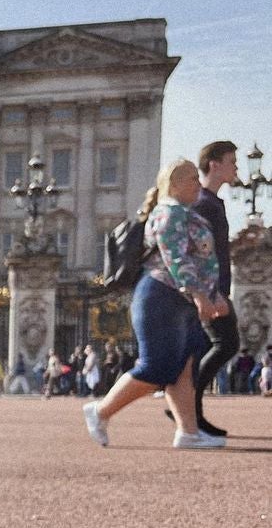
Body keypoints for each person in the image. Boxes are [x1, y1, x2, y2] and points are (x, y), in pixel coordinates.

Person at [82, 159, 227, 450]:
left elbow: (202, 260)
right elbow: (176, 258)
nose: (198, 184)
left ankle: (188, 432)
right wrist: (200, 294)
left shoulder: (184, 213)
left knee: (185, 367)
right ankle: (100, 411)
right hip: (162, 295)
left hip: (180, 298)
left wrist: (214, 294)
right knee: (157, 366)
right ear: (174, 183)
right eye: (191, 179)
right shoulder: (168, 213)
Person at [187, 141, 240, 437]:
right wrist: (211, 291)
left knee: (209, 347)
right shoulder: (204, 203)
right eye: (232, 162)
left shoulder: (211, 201)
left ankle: (187, 407)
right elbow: (200, 252)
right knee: (226, 344)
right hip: (211, 290)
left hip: (215, 288)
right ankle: (188, 408)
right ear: (214, 165)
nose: (236, 168)